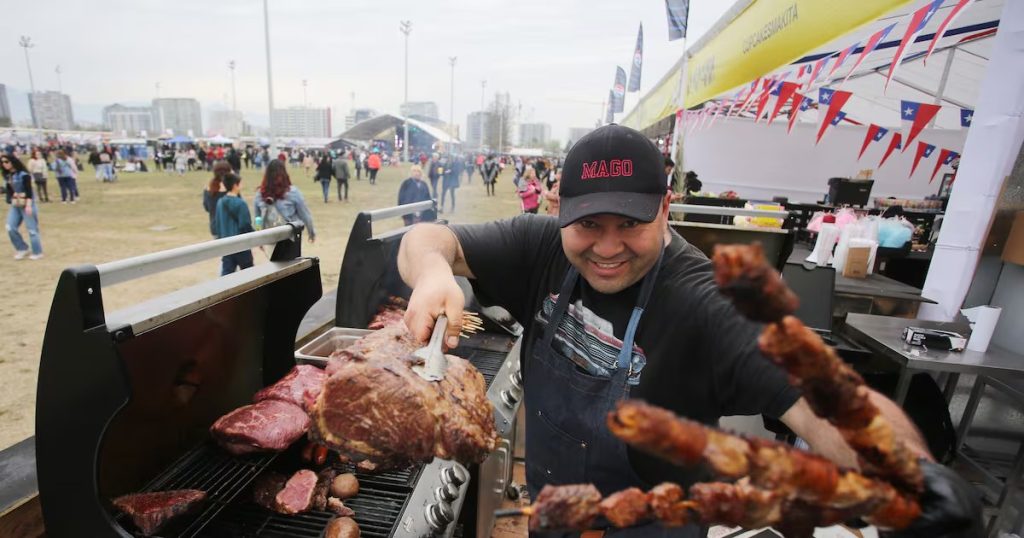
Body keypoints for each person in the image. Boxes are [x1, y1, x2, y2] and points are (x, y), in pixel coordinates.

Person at [395, 125, 981, 538]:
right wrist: (433, 273)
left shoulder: (710, 303)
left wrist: (908, 474)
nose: (606, 247)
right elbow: (427, 237)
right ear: (558, 208)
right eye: (588, 224)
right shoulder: (539, 247)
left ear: (665, 207)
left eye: (630, 223)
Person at [254, 160, 316, 243]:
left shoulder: (260, 194)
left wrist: (258, 238)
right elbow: (305, 215)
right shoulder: (293, 192)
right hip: (290, 237)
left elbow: (258, 219)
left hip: (269, 238)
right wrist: (311, 233)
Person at [2, 154, 43, 259]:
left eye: (6, 162)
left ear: (12, 162)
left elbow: (29, 192)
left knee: (32, 230)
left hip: (27, 204)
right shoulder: (7, 176)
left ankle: (37, 252)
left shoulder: (24, 175)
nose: (4, 164)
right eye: (2, 162)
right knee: (10, 227)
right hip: (16, 204)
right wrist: (13, 194)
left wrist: (28, 206)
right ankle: (22, 248)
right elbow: (9, 190)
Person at [213, 173, 254, 275]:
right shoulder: (241, 204)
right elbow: (245, 225)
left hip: (226, 245)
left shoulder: (220, 202)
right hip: (241, 245)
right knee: (249, 275)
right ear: (235, 185)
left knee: (227, 275)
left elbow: (217, 224)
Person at [202, 161, 231, 237]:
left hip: (215, 226)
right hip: (230, 226)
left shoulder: (208, 189)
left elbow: (207, 208)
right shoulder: (231, 188)